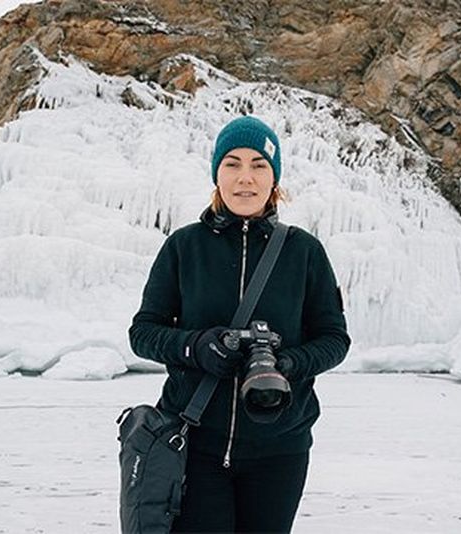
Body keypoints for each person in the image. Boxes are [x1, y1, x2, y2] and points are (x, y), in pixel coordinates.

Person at [128, 115, 350, 533]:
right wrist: (197, 347)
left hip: (280, 451)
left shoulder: (304, 252)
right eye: (232, 164)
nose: (245, 177)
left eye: (258, 165)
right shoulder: (184, 246)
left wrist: (286, 365)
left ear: (274, 178)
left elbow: (334, 339)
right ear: (217, 174)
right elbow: (143, 333)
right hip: (195, 444)